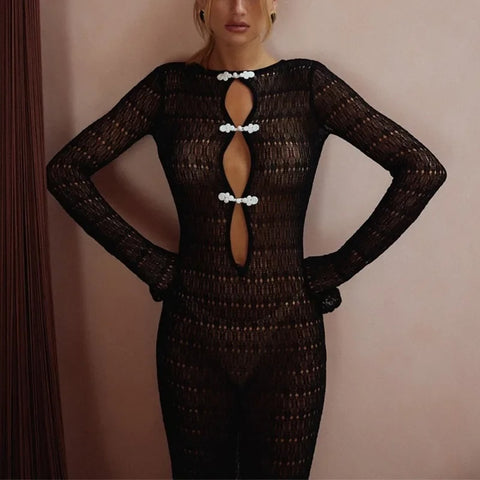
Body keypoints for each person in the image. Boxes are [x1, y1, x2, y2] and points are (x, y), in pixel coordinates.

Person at [46, 0, 447, 478]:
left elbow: (421, 169)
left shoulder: (308, 85)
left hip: (290, 337)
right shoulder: (169, 89)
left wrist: (337, 268)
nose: (239, 7)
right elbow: (66, 171)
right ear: (202, 5)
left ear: (273, 4)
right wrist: (152, 265)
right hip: (192, 335)